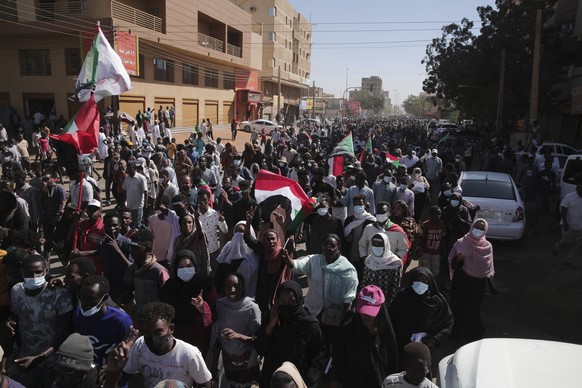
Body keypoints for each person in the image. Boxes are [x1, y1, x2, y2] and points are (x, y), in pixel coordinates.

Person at [104, 302, 212, 388]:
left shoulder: (189, 354)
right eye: (146, 333)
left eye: (158, 332)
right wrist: (113, 370)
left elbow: (205, 384)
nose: (152, 338)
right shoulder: (140, 345)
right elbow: (123, 379)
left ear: (171, 329)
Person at [6, 254, 73, 387]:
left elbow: (65, 332)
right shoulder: (16, 291)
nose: (34, 277)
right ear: (22, 272)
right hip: (25, 357)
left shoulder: (59, 294)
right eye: (29, 273)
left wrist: (41, 356)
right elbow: (15, 317)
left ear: (46, 271)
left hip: (52, 361)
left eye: (38, 272)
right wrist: (9, 323)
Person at [287, 234, 358, 348]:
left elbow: (349, 297)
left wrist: (344, 322)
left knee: (326, 344)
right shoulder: (314, 260)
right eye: (325, 245)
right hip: (312, 311)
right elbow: (298, 266)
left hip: (333, 318)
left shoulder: (348, 270)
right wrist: (288, 260)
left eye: (332, 246)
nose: (328, 248)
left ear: (339, 248)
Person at [254, 281, 326, 388]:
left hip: (296, 381)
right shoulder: (272, 317)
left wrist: (308, 381)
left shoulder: (309, 325)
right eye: (282, 301)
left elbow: (319, 355)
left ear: (299, 301)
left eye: (291, 302)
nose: (287, 305)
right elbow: (260, 348)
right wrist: (270, 326)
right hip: (271, 379)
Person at [329, 285, 398, 388]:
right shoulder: (348, 331)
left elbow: (391, 366)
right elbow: (337, 365)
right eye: (363, 310)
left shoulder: (386, 333)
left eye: (371, 311)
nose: (366, 315)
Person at [389, 267, 453, 367]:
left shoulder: (437, 302)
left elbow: (448, 323)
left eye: (424, 281)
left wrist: (434, 340)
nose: (420, 284)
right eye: (417, 280)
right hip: (402, 347)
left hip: (425, 350)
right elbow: (391, 320)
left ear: (430, 283)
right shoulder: (402, 297)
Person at [159, 249, 217, 357]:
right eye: (181, 267)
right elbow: (162, 311)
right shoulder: (170, 287)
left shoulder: (205, 284)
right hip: (177, 336)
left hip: (199, 336)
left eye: (189, 266)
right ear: (175, 268)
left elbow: (216, 311)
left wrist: (202, 307)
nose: (185, 270)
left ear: (195, 266)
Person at [448, 219, 495, 343]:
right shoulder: (462, 242)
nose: (478, 230)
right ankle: (454, 333)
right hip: (462, 280)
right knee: (457, 307)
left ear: (485, 231)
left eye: (481, 228)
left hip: (478, 284)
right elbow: (453, 261)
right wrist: (461, 257)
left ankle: (468, 335)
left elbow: (486, 267)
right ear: (472, 227)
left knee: (472, 309)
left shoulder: (487, 246)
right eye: (476, 227)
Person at [211, 273, 261, 388]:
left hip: (248, 363)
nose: (232, 290)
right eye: (228, 287)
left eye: (236, 286)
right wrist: (214, 364)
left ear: (242, 287)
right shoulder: (220, 305)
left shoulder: (251, 308)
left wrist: (238, 336)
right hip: (228, 363)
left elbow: (258, 341)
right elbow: (218, 339)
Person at [73, 275, 133, 368]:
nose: (85, 303)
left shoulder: (121, 320)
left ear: (104, 298)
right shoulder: (78, 314)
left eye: (91, 299)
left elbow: (130, 353)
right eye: (82, 297)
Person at [125, 229, 170, 311]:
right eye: (131, 247)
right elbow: (130, 291)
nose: (132, 250)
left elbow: (167, 297)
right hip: (140, 317)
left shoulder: (159, 271)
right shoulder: (132, 269)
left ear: (148, 249)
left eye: (136, 247)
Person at [214, 221, 259, 298]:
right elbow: (219, 275)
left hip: (249, 298)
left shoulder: (255, 252)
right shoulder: (227, 249)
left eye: (242, 232)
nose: (238, 235)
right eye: (237, 231)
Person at [361, 233, 403, 307]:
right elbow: (364, 282)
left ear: (386, 245)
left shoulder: (394, 263)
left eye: (379, 244)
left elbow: (395, 287)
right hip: (368, 300)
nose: (376, 247)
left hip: (385, 302)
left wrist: (388, 305)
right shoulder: (369, 260)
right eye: (374, 244)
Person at [197, 190, 227, 272]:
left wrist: (222, 222)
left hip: (213, 250)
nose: (202, 202)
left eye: (204, 200)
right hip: (200, 251)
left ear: (209, 199)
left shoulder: (215, 214)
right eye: (200, 200)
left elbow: (225, 230)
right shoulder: (195, 215)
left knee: (215, 274)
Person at [554, 183, 582, 268]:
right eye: (581, 188)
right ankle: (557, 247)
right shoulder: (569, 197)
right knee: (566, 242)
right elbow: (563, 210)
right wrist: (565, 223)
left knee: (576, 245)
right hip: (569, 225)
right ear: (577, 189)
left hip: (580, 227)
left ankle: (568, 260)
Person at [419, 206, 446, 278]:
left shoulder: (442, 224)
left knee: (435, 272)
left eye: (439, 214)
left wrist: (443, 250)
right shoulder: (425, 224)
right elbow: (420, 238)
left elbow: (442, 238)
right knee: (425, 271)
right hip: (426, 252)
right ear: (431, 214)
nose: (438, 216)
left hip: (436, 253)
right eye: (436, 214)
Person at [122, 162, 148, 228]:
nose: (129, 171)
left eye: (130, 169)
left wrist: (145, 204)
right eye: (128, 169)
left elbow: (145, 191)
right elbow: (125, 190)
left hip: (138, 206)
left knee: (137, 225)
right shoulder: (127, 178)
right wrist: (124, 202)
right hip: (129, 206)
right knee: (129, 225)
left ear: (135, 169)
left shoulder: (141, 178)